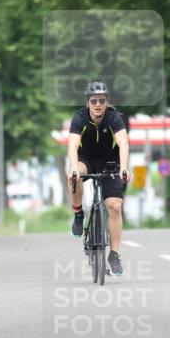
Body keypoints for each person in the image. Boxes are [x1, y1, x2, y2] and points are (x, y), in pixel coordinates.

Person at [66, 80, 130, 276]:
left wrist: (124, 168)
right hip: (86, 160)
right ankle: (78, 214)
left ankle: (114, 254)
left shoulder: (115, 118)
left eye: (102, 100)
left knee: (115, 206)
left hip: (110, 163)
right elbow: (72, 146)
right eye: (94, 101)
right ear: (88, 102)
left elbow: (124, 143)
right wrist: (75, 168)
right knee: (73, 176)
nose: (98, 104)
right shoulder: (79, 118)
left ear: (107, 101)